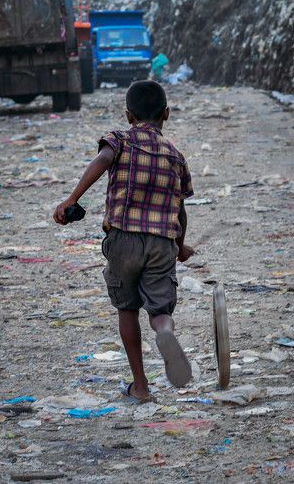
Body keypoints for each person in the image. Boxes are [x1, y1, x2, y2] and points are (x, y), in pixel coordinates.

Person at [54, 81, 195, 403]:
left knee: (127, 308)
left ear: (129, 115)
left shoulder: (120, 139)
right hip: (162, 243)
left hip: (123, 240)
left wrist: (70, 199)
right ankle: (165, 332)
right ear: (167, 114)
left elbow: (102, 161)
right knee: (159, 308)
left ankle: (142, 387)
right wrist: (181, 245)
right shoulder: (175, 155)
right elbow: (180, 208)